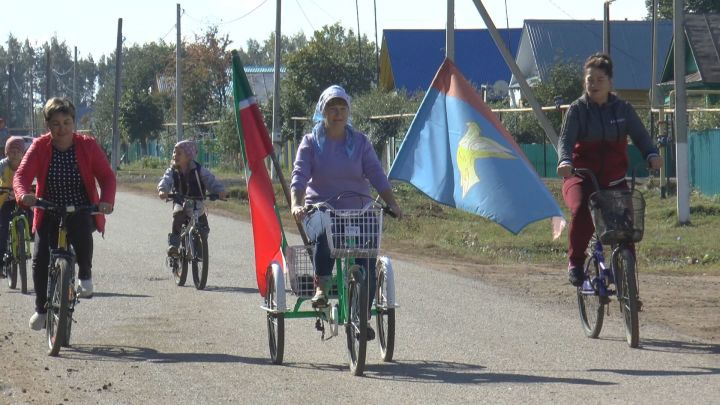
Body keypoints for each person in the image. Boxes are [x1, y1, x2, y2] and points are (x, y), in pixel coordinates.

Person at [290, 85, 403, 339]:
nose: (338, 114)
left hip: (357, 210)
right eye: (332, 108)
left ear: (348, 112)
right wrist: (297, 204)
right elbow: (299, 178)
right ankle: (322, 285)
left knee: (367, 255)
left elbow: (376, 174)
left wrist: (392, 202)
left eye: (342, 109)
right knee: (324, 233)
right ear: (323, 111)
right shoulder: (310, 143)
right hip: (320, 208)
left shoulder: (360, 142)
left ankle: (362, 314)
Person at [556, 53, 662, 287]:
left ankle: (628, 277)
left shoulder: (623, 109)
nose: (593, 84)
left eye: (599, 80)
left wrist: (652, 154)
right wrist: (565, 161)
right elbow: (565, 140)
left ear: (610, 82)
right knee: (583, 209)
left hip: (614, 181)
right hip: (582, 178)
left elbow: (641, 136)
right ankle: (575, 262)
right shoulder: (577, 110)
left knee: (625, 223)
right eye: (589, 80)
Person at [14, 97, 116, 330]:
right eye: (56, 123)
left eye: (67, 122)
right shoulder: (40, 147)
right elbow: (21, 176)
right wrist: (23, 195)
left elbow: (107, 177)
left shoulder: (88, 145)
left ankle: (85, 276)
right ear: (47, 125)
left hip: (80, 207)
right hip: (48, 208)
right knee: (40, 258)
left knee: (81, 233)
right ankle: (41, 310)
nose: (62, 129)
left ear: (74, 123)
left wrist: (106, 201)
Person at [157, 140, 226, 257]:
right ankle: (174, 245)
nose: (175, 155)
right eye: (174, 152)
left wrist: (219, 190)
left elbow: (210, 180)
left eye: (179, 153)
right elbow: (166, 180)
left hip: (197, 201)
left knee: (204, 227)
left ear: (189, 156)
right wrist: (163, 190)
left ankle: (199, 248)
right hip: (180, 200)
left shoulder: (199, 170)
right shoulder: (172, 170)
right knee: (178, 215)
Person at [0, 136, 32, 277]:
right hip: (5, 201)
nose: (14, 153)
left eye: (18, 150)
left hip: (22, 200)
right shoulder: (2, 165)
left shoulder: (26, 164)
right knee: (2, 230)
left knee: (33, 220)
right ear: (6, 152)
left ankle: (25, 239)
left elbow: (35, 177)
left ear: (22, 153)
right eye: (11, 150)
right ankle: (1, 264)